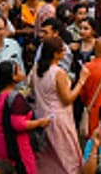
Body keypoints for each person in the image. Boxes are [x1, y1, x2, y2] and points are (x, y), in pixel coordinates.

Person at [32, 34, 89, 172]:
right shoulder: (58, 73)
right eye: (62, 50)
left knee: (47, 161)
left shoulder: (36, 69)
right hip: (59, 119)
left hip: (41, 115)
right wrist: (82, 80)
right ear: (56, 54)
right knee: (68, 159)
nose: (65, 52)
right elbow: (67, 98)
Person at [0, 60, 49, 174]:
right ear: (13, 77)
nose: (21, 71)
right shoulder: (15, 98)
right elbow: (19, 124)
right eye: (18, 70)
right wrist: (40, 123)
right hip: (12, 144)